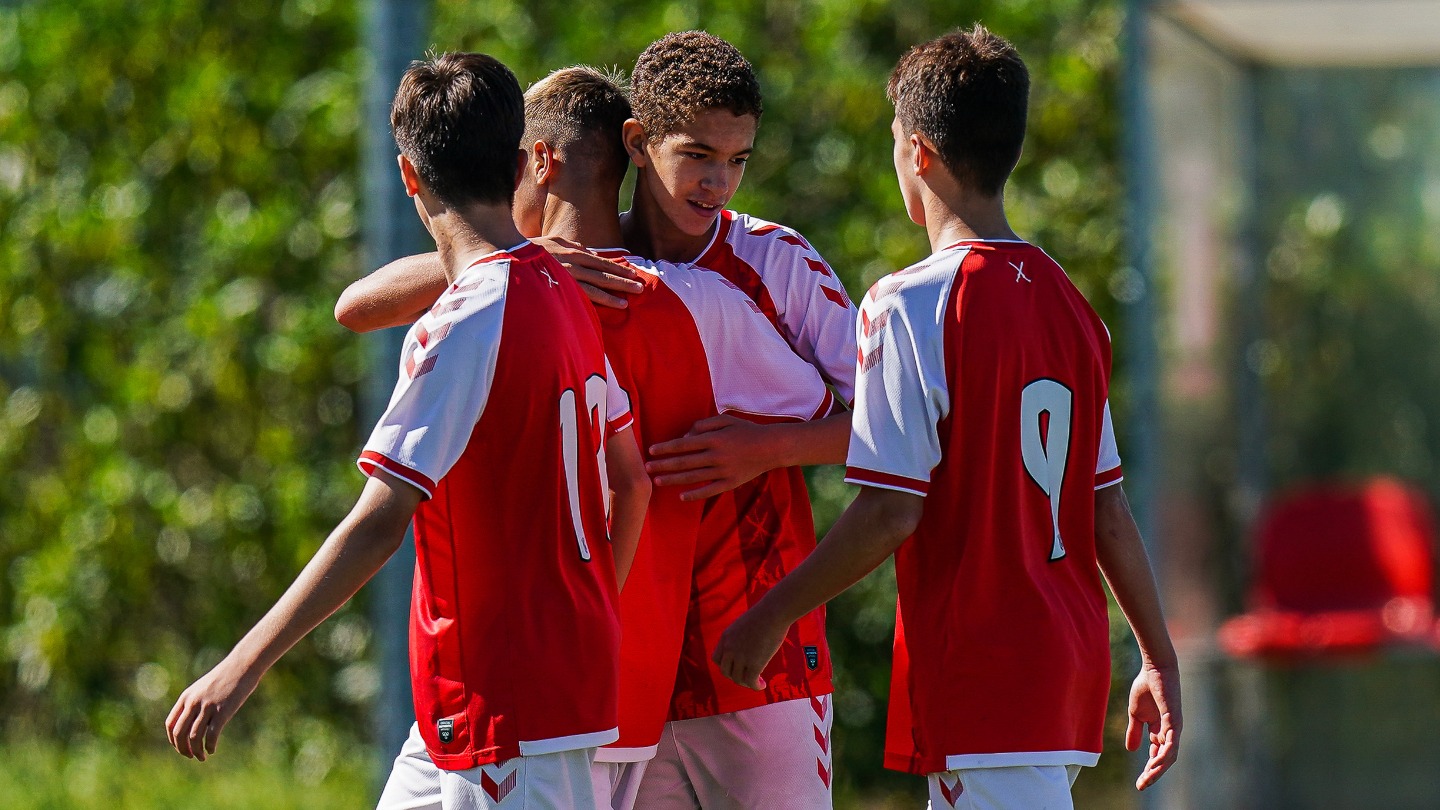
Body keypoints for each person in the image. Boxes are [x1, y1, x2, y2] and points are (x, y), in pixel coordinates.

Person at [337, 33, 859, 808]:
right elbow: (357, 305)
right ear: (638, 148)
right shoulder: (558, 278)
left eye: (739, 160)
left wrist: (771, 446)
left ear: (534, 164)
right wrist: (529, 257)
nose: (720, 180)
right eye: (700, 155)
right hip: (616, 670)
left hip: (745, 649)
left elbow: (899, 428)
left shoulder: (753, 272)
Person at [712, 26, 1182, 810]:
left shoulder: (910, 302)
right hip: (1059, 669)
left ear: (919, 152)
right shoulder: (1070, 304)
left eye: (895, 140)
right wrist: (1157, 657)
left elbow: (892, 510)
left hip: (983, 669)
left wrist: (770, 616)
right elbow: (1106, 508)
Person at [164, 52, 648, 810]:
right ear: (521, 162)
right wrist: (589, 618)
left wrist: (240, 666)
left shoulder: (464, 321)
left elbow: (378, 523)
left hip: (508, 703)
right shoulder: (561, 286)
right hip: (487, 698)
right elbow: (631, 477)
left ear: (409, 176)